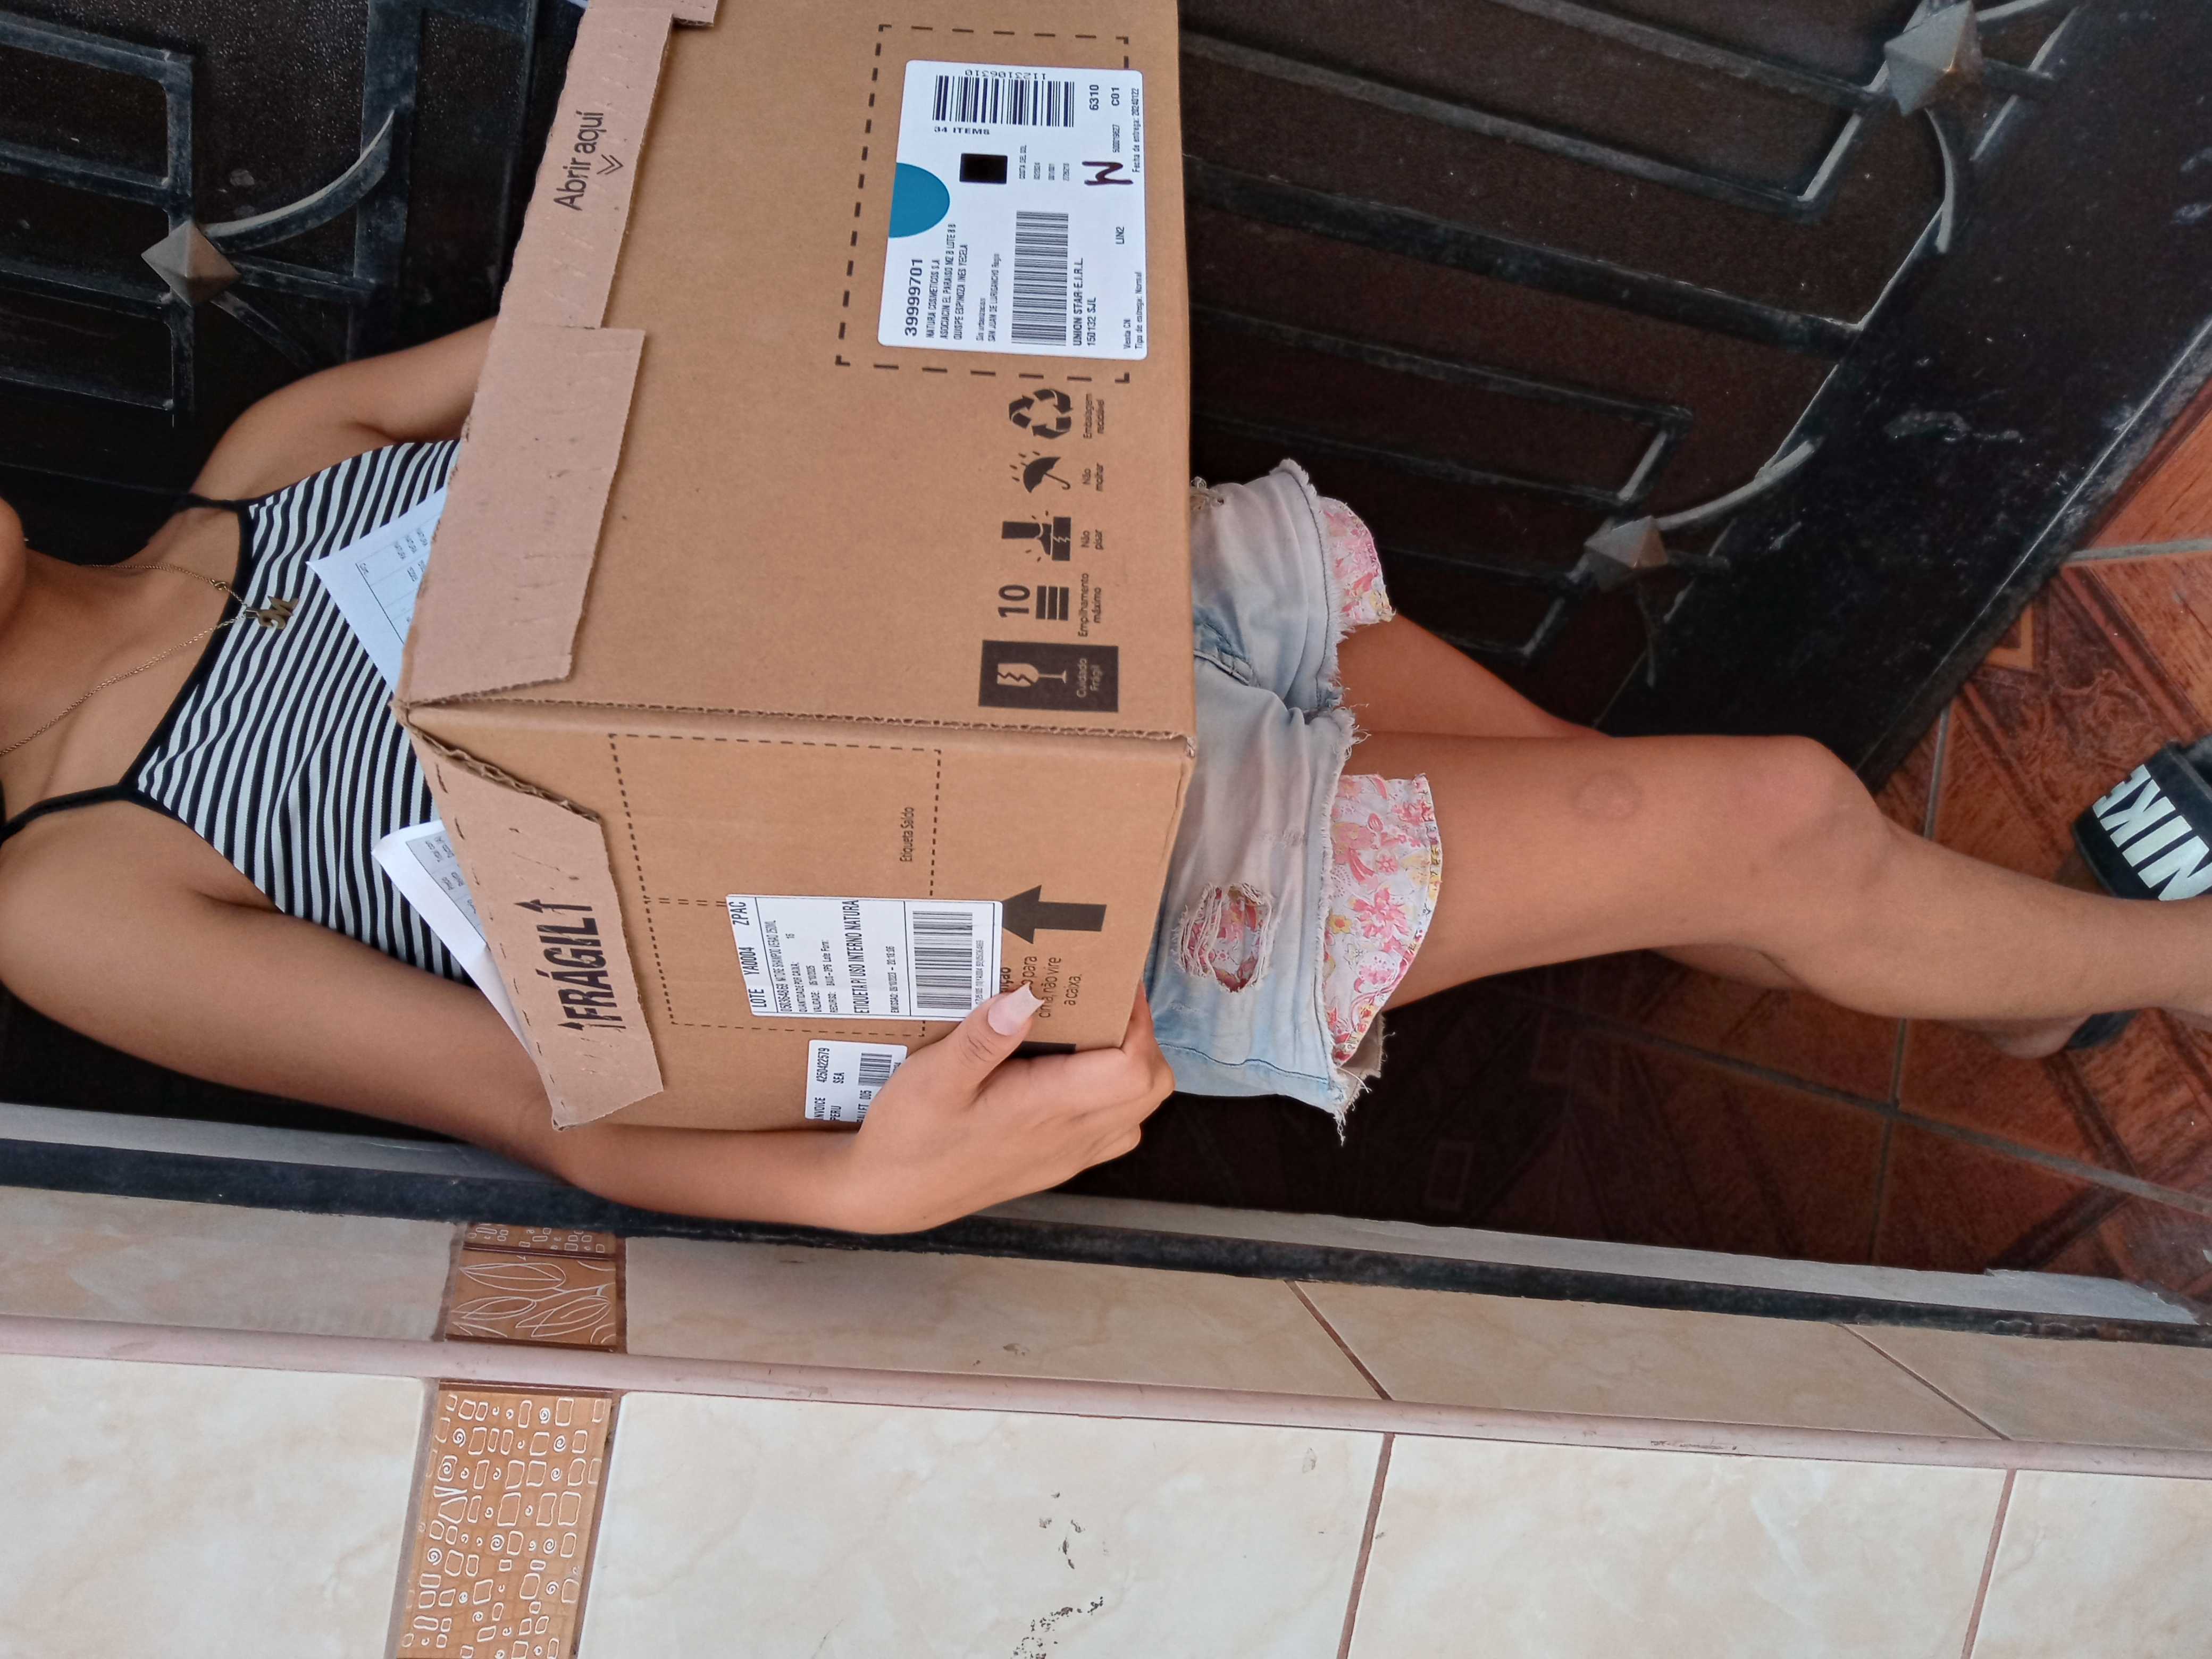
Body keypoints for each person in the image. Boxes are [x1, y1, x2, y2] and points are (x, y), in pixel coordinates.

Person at [1, 324, 2201, 1234]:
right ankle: (2175, 954)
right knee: (1770, 821)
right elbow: (520, 1102)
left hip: (1103, 587)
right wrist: (860, 1194)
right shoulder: (68, 894)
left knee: (1671, 834)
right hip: (1102, 866)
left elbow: (670, 329)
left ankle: (2026, 1004)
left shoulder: (265, 460)